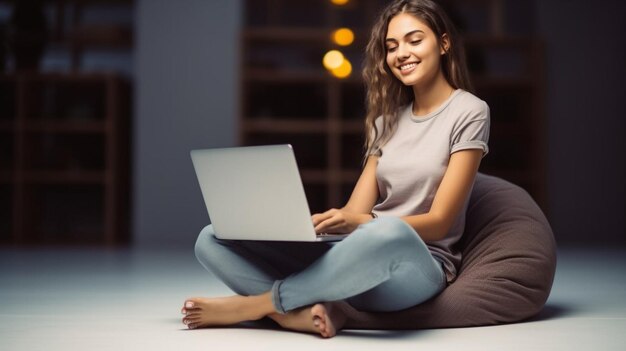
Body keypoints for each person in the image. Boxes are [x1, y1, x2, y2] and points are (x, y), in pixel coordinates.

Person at [181, 0, 490, 338]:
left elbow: (440, 221)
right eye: (391, 46)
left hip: (418, 264)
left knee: (387, 232)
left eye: (414, 40)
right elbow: (354, 213)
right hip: (358, 257)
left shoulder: (469, 111)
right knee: (210, 237)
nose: (402, 53)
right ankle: (307, 310)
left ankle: (259, 306)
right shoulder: (385, 122)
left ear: (443, 43)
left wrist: (362, 223)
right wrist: (316, 225)